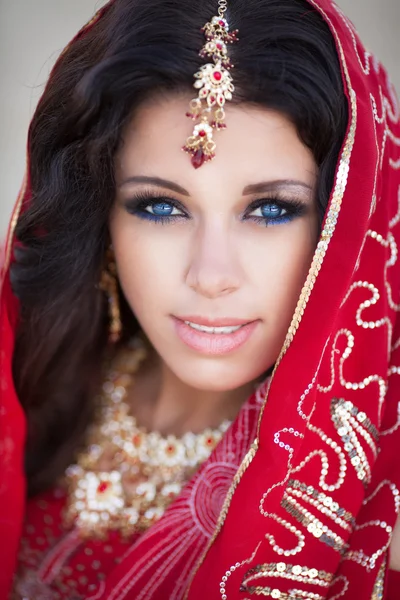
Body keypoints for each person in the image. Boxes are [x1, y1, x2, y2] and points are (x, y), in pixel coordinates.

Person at [1, 0, 400, 597]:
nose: (211, 276)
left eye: (271, 210)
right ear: (101, 220)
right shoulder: (33, 385)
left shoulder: (374, 511)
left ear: (346, 225)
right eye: (160, 206)